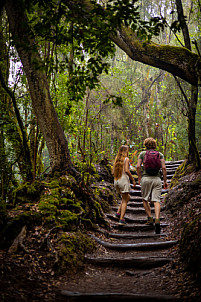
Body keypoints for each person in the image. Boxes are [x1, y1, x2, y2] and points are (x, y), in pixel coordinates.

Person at [136, 137, 168, 234]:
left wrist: (139, 177)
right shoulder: (160, 154)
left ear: (145, 145)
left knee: (145, 199)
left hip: (146, 179)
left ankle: (150, 218)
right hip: (157, 179)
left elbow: (138, 166)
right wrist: (165, 181)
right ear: (155, 145)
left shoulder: (142, 154)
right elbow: (163, 167)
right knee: (156, 200)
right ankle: (157, 220)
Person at [112, 145, 136, 225]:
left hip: (116, 181)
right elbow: (126, 170)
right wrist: (132, 179)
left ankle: (118, 213)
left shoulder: (116, 160)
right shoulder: (126, 159)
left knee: (126, 197)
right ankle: (121, 219)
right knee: (125, 200)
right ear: (126, 151)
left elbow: (112, 172)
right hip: (123, 180)